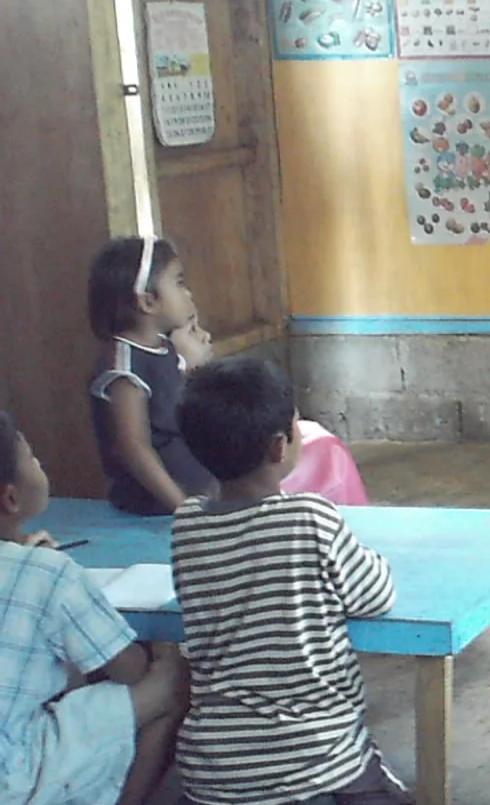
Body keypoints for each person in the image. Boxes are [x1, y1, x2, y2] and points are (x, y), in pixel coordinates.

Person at [170, 358, 403, 805]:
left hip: (214, 771)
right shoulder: (310, 517)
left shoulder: (186, 526)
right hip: (318, 760)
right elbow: (376, 595)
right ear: (281, 448)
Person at [0, 410, 188, 805]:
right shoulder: (47, 572)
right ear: (11, 497)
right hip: (14, 774)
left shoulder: (33, 565)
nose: (39, 464)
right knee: (168, 682)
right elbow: (129, 670)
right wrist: (162, 655)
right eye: (32, 457)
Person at [172, 317, 371, 506]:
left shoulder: (188, 518)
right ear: (279, 448)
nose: (206, 335)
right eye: (191, 329)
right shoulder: (311, 516)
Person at [87, 236, 218, 515]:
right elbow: (134, 448)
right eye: (179, 283)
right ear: (147, 302)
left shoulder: (164, 348)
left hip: (193, 496)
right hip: (157, 507)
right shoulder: (124, 368)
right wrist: (183, 508)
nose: (189, 294)